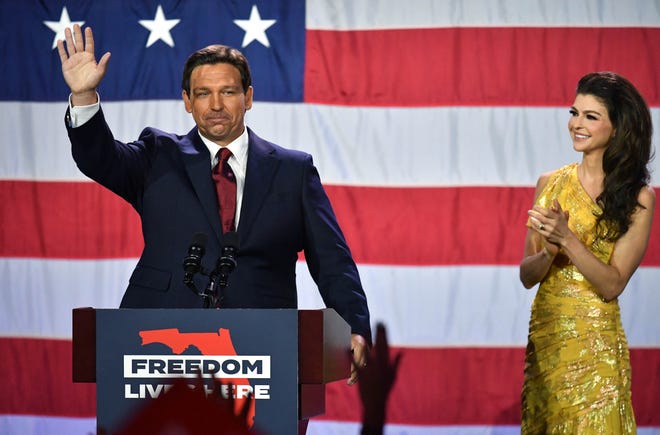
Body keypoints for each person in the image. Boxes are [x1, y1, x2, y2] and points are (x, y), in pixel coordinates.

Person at [56, 24, 371, 384]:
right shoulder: (158, 155)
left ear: (248, 97)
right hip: (160, 349)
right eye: (203, 93)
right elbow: (99, 159)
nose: (216, 105)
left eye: (228, 92)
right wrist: (84, 96)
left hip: (266, 349)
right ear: (187, 101)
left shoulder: (292, 170)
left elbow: (332, 261)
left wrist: (353, 326)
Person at [519, 71, 655, 433]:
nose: (576, 124)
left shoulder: (639, 198)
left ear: (618, 127)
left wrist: (566, 238)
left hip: (597, 352)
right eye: (573, 112)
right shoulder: (549, 184)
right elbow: (526, 276)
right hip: (548, 346)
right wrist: (547, 253)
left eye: (590, 117)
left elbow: (612, 285)